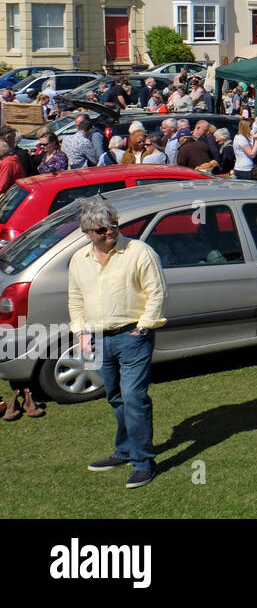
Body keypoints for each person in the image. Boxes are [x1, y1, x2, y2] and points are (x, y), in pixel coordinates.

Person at [71, 196, 167, 488]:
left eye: (113, 225)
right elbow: (76, 298)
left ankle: (143, 463)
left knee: (134, 398)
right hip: (98, 339)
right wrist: (81, 332)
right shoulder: (79, 260)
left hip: (132, 337)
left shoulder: (139, 252)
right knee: (115, 396)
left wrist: (143, 328)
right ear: (87, 232)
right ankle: (125, 451)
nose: (110, 232)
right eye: (101, 230)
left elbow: (157, 293)